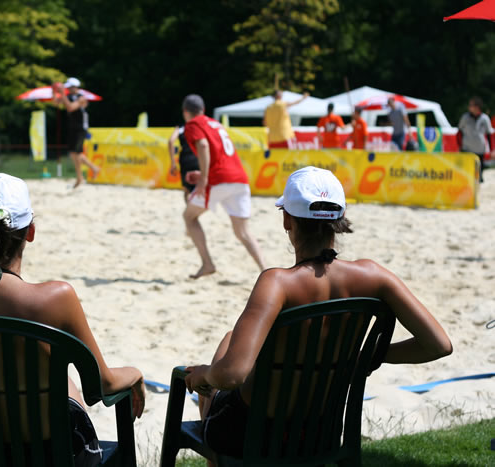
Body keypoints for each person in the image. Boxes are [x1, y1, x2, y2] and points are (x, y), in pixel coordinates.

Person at [183, 166, 453, 459]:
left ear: (287, 219)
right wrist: (368, 355)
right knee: (230, 340)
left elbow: (232, 374)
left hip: (251, 435)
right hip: (320, 434)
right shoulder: (375, 276)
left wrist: (204, 373)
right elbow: (439, 345)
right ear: (340, 219)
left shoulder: (277, 283)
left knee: (223, 355)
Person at [0, 173, 145, 465]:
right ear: (31, 232)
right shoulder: (57, 298)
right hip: (54, 455)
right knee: (55, 372)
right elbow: (102, 385)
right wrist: (135, 373)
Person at [182, 94, 265, 278]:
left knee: (189, 217)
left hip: (218, 180)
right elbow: (220, 155)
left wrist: (204, 178)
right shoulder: (215, 123)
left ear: (185, 112)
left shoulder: (193, 124)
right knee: (243, 232)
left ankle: (207, 263)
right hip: (239, 178)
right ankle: (265, 270)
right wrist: (203, 174)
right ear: (203, 109)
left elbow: (203, 145)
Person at [53, 77, 100, 188]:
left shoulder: (81, 98)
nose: (68, 89)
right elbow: (56, 104)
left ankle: (80, 177)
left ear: (75, 87)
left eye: (70, 87)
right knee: (74, 153)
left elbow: (70, 108)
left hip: (80, 128)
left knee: (77, 153)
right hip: (73, 128)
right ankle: (93, 169)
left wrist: (62, 94)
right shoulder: (69, 96)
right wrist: (54, 92)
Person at [458, 96, 493, 183]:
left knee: (479, 174)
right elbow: (459, 132)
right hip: (467, 148)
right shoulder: (465, 117)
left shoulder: (485, 118)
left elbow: (489, 134)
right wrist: (459, 146)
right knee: (466, 171)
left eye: (471, 105)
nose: (469, 107)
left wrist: (492, 150)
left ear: (477, 107)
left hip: (480, 148)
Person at [168, 124, 200, 201]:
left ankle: (188, 206)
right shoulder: (199, 126)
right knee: (200, 186)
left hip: (185, 159)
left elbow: (171, 141)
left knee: (187, 189)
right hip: (198, 158)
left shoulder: (181, 128)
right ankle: (197, 207)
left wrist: (173, 163)